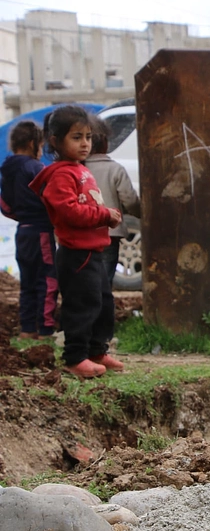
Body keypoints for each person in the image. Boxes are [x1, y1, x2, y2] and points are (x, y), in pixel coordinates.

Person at [30, 106, 123, 378]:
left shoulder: (79, 169)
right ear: (56, 141)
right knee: (82, 305)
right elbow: (69, 212)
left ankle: (96, 350)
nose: (85, 143)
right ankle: (75, 356)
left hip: (93, 250)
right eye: (76, 137)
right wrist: (104, 215)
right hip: (75, 253)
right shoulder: (60, 174)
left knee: (103, 302)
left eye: (88, 137)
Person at [0, 121, 59, 339]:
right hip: (41, 231)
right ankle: (45, 329)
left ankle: (27, 328)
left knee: (27, 282)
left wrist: (22, 216)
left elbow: (5, 206)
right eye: (41, 146)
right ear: (33, 143)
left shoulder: (7, 170)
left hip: (22, 232)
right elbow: (51, 197)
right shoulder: (35, 168)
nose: (41, 152)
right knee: (47, 280)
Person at [85, 117, 140, 288]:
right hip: (110, 235)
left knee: (86, 280)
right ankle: (103, 312)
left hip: (83, 236)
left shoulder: (77, 169)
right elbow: (130, 200)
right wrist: (139, 213)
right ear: (106, 144)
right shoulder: (115, 169)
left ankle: (89, 312)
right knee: (105, 279)